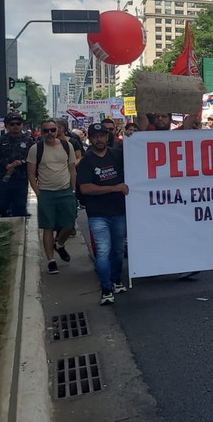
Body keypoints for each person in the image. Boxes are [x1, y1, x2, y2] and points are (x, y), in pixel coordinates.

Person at [77, 123, 129, 305]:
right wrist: (114, 187)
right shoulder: (86, 161)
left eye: (102, 135)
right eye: (95, 136)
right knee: (103, 251)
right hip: (98, 214)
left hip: (119, 211)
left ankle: (116, 280)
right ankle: (106, 288)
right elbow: (85, 188)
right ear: (89, 139)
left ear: (108, 137)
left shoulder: (118, 155)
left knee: (118, 250)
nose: (99, 139)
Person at [27, 119, 78, 275]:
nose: (49, 133)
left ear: (58, 130)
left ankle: (59, 244)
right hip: (46, 193)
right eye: (46, 131)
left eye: (52, 130)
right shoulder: (36, 149)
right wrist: (38, 192)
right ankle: (51, 261)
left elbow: (72, 170)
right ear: (41, 132)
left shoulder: (66, 146)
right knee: (48, 227)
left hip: (66, 191)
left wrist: (73, 190)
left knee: (69, 224)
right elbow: (30, 172)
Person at [0, 113, 34, 218]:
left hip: (21, 179)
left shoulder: (28, 140)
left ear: (22, 125)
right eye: (12, 124)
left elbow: (33, 158)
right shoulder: (0, 140)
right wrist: (6, 165)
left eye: (18, 123)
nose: (15, 126)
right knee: (2, 207)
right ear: (7, 126)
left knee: (19, 208)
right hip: (4, 179)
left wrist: (22, 162)